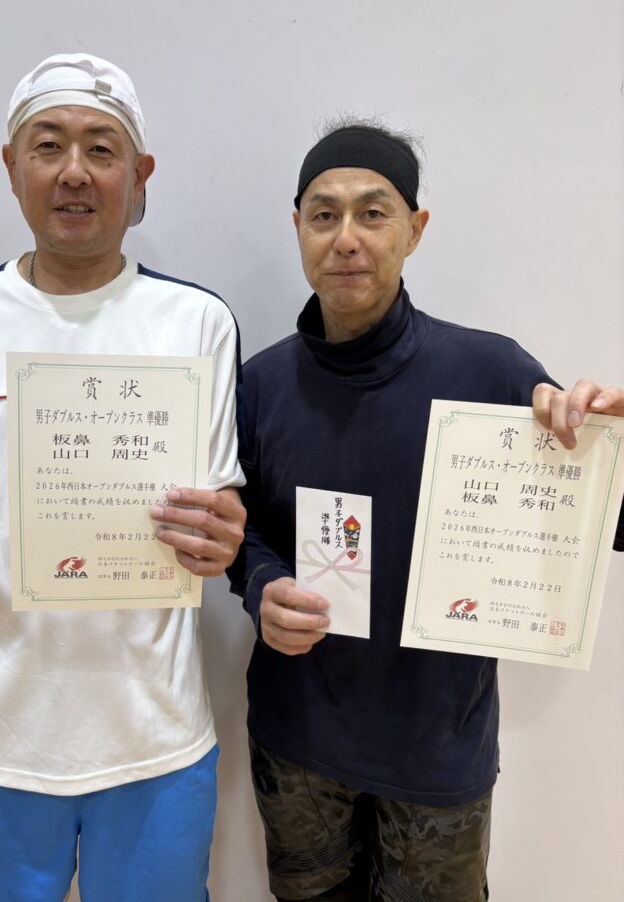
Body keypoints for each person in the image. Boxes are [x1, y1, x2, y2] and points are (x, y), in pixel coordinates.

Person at [0, 53, 246, 902]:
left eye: (101, 150)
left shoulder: (196, 323)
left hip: (154, 741)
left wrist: (221, 532)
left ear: (140, 175)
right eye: (48, 146)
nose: (74, 172)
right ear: (11, 167)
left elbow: (222, 495)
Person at [228, 121, 624, 902]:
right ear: (298, 227)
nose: (346, 238)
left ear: (415, 230)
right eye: (324, 214)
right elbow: (239, 529)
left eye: (373, 213)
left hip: (438, 754)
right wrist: (261, 584)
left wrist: (604, 454)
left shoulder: (490, 372)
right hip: (297, 742)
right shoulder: (261, 384)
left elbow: (593, 529)